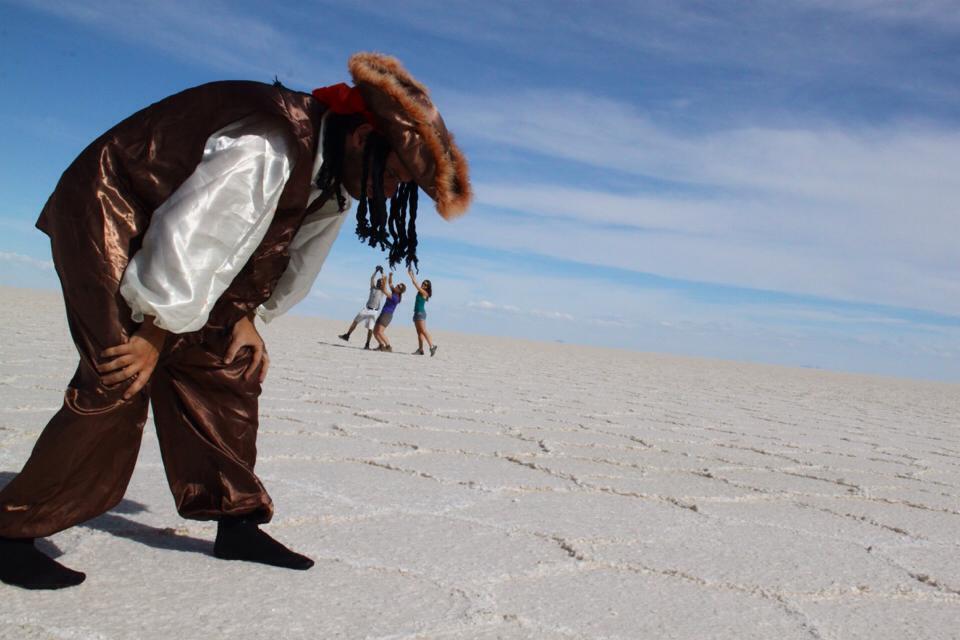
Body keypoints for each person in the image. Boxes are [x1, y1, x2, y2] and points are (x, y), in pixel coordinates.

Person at [0, 52, 471, 590]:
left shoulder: (339, 177)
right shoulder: (269, 142)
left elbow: (290, 253)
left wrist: (249, 317)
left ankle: (235, 521)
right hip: (114, 207)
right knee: (120, 368)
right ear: (364, 138)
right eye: (393, 175)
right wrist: (155, 329)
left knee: (226, 361)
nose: (390, 191)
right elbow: (200, 231)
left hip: (184, 243)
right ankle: (12, 530)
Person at [339, 265, 386, 349]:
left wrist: (382, 272)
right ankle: (347, 335)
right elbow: (372, 279)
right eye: (379, 281)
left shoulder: (382, 291)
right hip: (366, 309)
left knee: (370, 328)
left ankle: (367, 344)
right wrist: (376, 271)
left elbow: (385, 281)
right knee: (355, 321)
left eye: (381, 282)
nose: (379, 282)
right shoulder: (372, 288)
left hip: (374, 311)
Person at [372, 273, 405, 352]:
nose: (397, 286)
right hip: (383, 313)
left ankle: (388, 346)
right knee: (375, 331)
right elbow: (390, 283)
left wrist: (385, 280)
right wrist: (390, 276)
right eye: (397, 285)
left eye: (399, 287)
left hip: (387, 315)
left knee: (380, 332)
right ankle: (381, 345)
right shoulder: (394, 292)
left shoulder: (395, 297)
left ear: (400, 291)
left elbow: (383, 290)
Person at [408, 267, 437, 356]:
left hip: (420, 313)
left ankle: (432, 346)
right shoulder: (420, 292)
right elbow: (416, 283)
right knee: (419, 332)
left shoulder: (425, 293)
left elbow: (415, 284)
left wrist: (410, 275)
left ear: (427, 287)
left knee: (423, 331)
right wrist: (412, 273)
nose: (423, 284)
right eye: (423, 283)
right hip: (416, 313)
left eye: (425, 284)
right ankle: (420, 350)